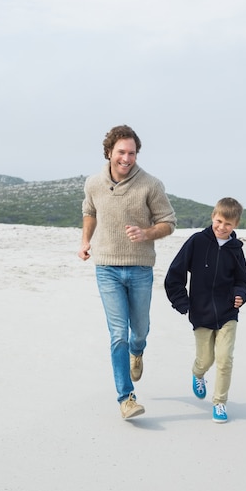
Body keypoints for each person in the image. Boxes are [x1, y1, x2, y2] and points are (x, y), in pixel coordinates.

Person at [78, 125, 176, 420]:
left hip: (140, 268)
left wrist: (146, 233)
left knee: (140, 331)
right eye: (121, 152)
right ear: (109, 152)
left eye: (132, 153)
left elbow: (169, 222)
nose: (126, 158)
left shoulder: (151, 184)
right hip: (106, 267)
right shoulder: (93, 183)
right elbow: (89, 211)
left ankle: (138, 350)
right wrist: (85, 241)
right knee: (118, 333)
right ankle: (127, 397)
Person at [164, 197, 246, 423]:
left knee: (224, 359)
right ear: (213, 216)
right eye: (219, 221)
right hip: (201, 313)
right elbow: (174, 275)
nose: (222, 227)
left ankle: (220, 403)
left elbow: (244, 281)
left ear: (236, 225)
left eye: (228, 224)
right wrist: (183, 304)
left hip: (227, 314)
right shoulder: (197, 242)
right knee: (206, 359)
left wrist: (240, 294)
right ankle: (198, 373)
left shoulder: (235, 249)